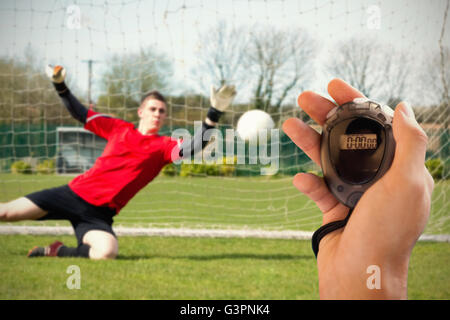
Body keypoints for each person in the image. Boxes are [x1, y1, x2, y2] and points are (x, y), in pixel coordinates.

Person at [0, 65, 236, 260]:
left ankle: (56, 251)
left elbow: (195, 146)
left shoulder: (164, 147)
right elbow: (81, 112)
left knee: (106, 252)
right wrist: (60, 85)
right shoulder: (118, 128)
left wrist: (213, 113)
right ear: (141, 111)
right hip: (71, 194)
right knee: (6, 213)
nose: (157, 113)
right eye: (152, 108)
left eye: (162, 111)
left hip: (98, 215)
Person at [282, 78, 434, 299]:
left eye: (365, 143)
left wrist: (372, 264)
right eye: (355, 143)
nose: (359, 145)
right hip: (341, 189)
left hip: (344, 190)